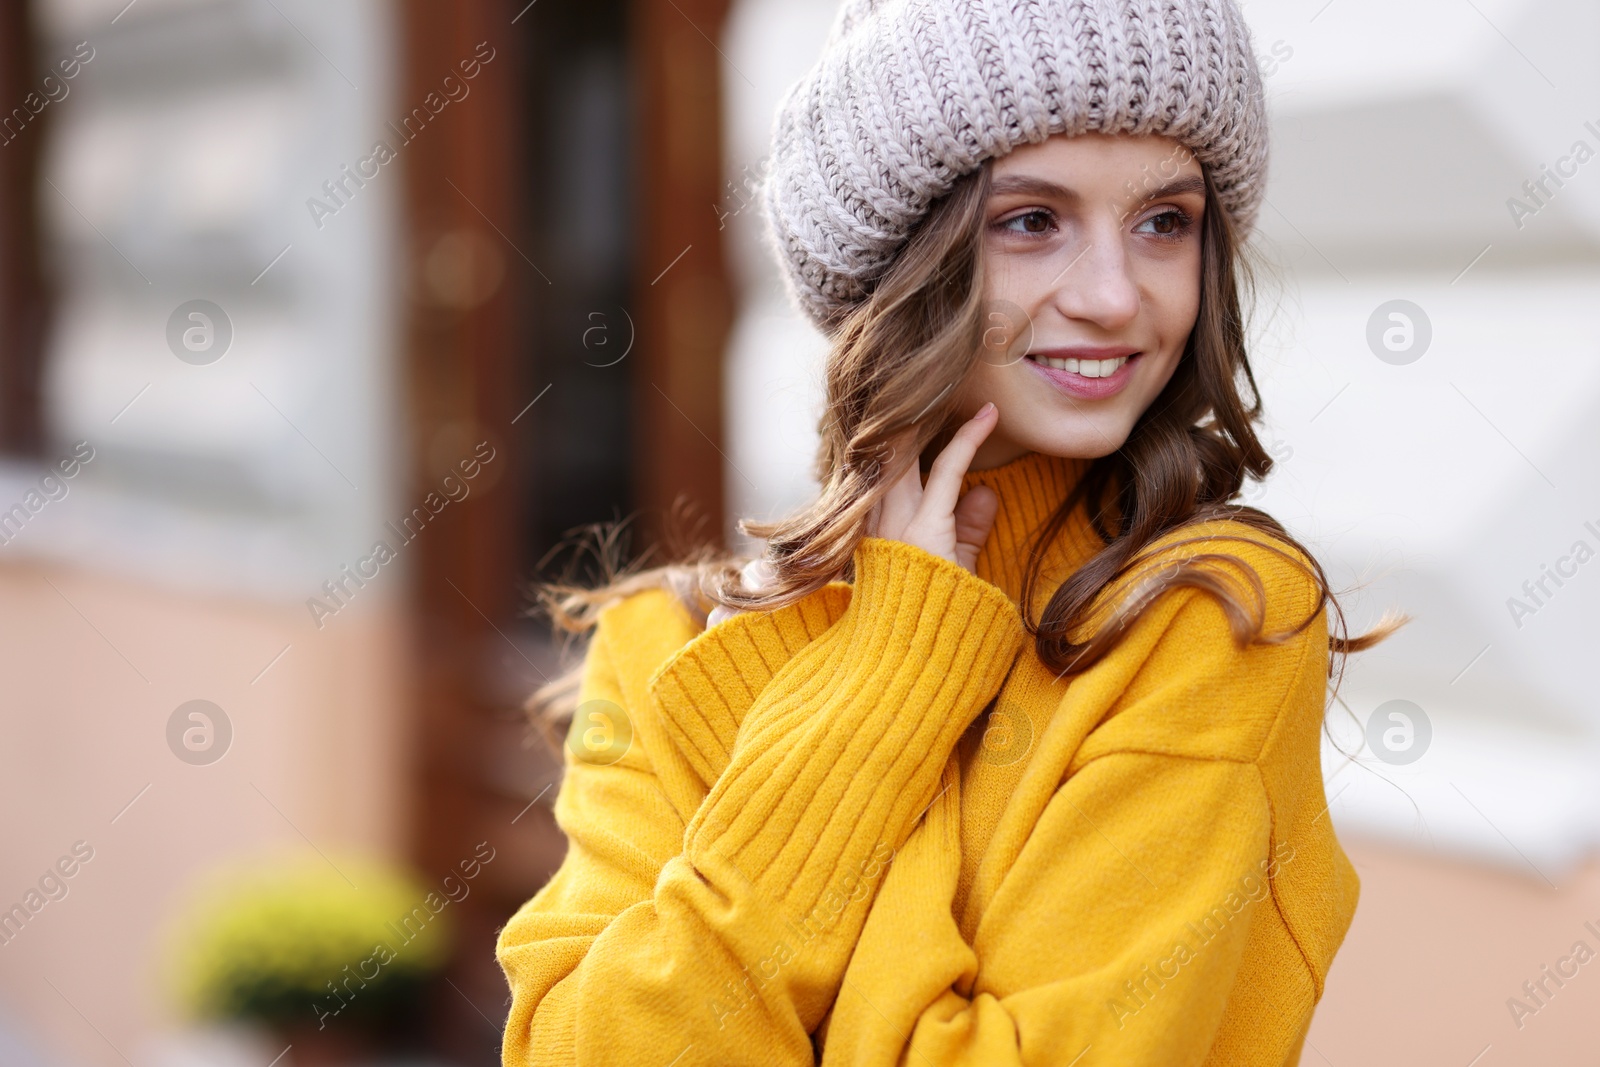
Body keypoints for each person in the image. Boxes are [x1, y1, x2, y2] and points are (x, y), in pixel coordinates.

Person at [496, 0, 1402, 1063]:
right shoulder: (663, 638)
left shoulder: (1211, 618)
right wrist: (884, 674)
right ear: (899, 265)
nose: (1115, 295)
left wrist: (894, 690)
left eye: (1166, 220)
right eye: (1030, 220)